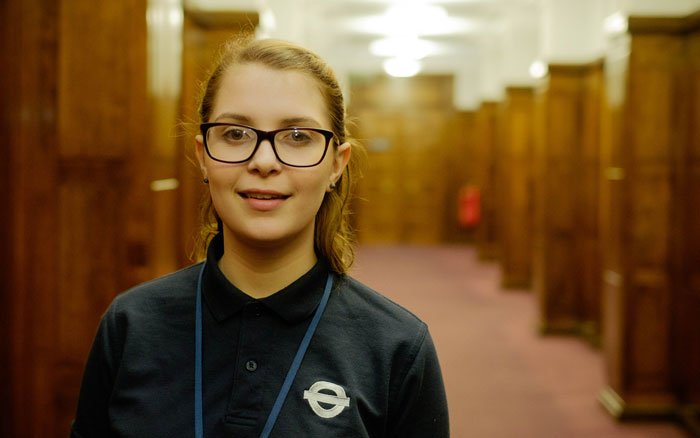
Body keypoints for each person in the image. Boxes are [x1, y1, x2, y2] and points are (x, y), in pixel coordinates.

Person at [71, 37, 449, 438]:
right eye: (235, 134)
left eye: (297, 136)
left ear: (336, 165)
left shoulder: (397, 346)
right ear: (203, 155)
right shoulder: (132, 324)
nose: (263, 162)